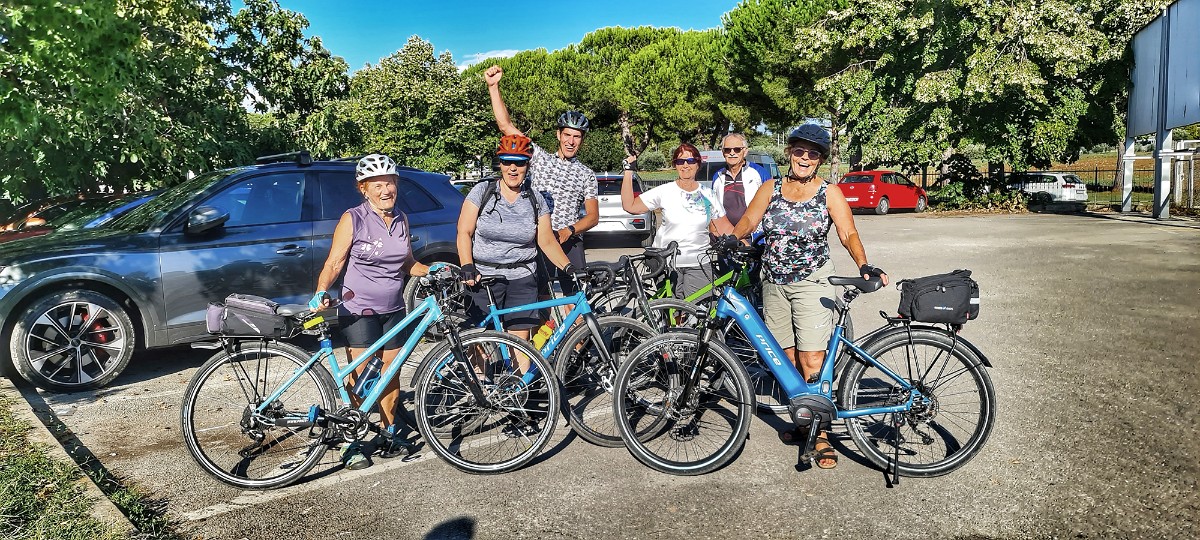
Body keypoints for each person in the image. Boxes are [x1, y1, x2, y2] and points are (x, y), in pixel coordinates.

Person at [727, 124, 888, 469]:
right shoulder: (771, 188)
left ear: (820, 160)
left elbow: (847, 232)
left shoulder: (829, 193)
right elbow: (750, 220)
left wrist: (863, 264)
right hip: (773, 282)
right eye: (799, 151)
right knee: (785, 361)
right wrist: (733, 239)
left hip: (812, 281)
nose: (805, 158)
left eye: (813, 154)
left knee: (812, 360)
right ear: (790, 153)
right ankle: (805, 423)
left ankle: (822, 434)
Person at [310, 153, 430, 470]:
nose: (386, 190)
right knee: (362, 380)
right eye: (377, 185)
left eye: (389, 183)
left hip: (393, 308)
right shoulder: (354, 218)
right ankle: (352, 442)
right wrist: (321, 290)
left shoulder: (401, 218)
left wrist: (433, 270)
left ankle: (388, 433)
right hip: (358, 309)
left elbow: (408, 262)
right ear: (363, 188)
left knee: (390, 376)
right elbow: (335, 262)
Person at [457, 134, 576, 376]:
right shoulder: (482, 191)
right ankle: (481, 388)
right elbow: (464, 231)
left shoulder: (535, 199)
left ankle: (518, 391)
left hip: (521, 278)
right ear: (500, 164)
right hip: (483, 277)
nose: (513, 168)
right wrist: (467, 265)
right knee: (479, 341)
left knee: (519, 344)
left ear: (527, 165)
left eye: (519, 163)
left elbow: (546, 241)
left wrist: (569, 268)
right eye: (507, 161)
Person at [483, 64, 598, 300]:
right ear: (558, 135)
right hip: (538, 237)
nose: (571, 141)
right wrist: (493, 87)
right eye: (567, 135)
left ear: (582, 140)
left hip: (569, 239)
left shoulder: (587, 173)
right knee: (539, 301)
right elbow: (506, 127)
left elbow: (593, 217)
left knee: (576, 301)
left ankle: (575, 327)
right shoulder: (540, 159)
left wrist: (569, 230)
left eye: (577, 137)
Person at [621, 143, 734, 300]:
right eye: (680, 161)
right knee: (671, 312)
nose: (685, 165)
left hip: (699, 262)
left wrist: (747, 246)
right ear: (675, 165)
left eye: (690, 161)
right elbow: (630, 205)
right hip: (666, 262)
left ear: (698, 164)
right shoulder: (665, 191)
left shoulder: (708, 194)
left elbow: (724, 227)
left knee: (699, 311)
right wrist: (628, 171)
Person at [711, 132, 772, 226]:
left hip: (754, 232)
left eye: (737, 149)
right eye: (727, 150)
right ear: (723, 152)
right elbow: (714, 208)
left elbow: (771, 203)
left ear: (745, 151)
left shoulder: (760, 173)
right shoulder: (718, 176)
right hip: (726, 232)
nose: (732, 153)